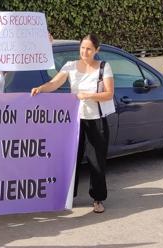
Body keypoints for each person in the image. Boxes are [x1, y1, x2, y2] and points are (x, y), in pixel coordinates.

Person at [30, 34, 115, 213]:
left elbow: (108, 94)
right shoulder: (70, 66)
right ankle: (68, 197)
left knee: (96, 162)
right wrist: (40, 89)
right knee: (71, 160)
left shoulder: (103, 67)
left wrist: (88, 95)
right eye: (83, 48)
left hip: (96, 120)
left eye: (89, 49)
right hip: (74, 121)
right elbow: (54, 83)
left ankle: (98, 198)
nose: (85, 52)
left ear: (96, 50)